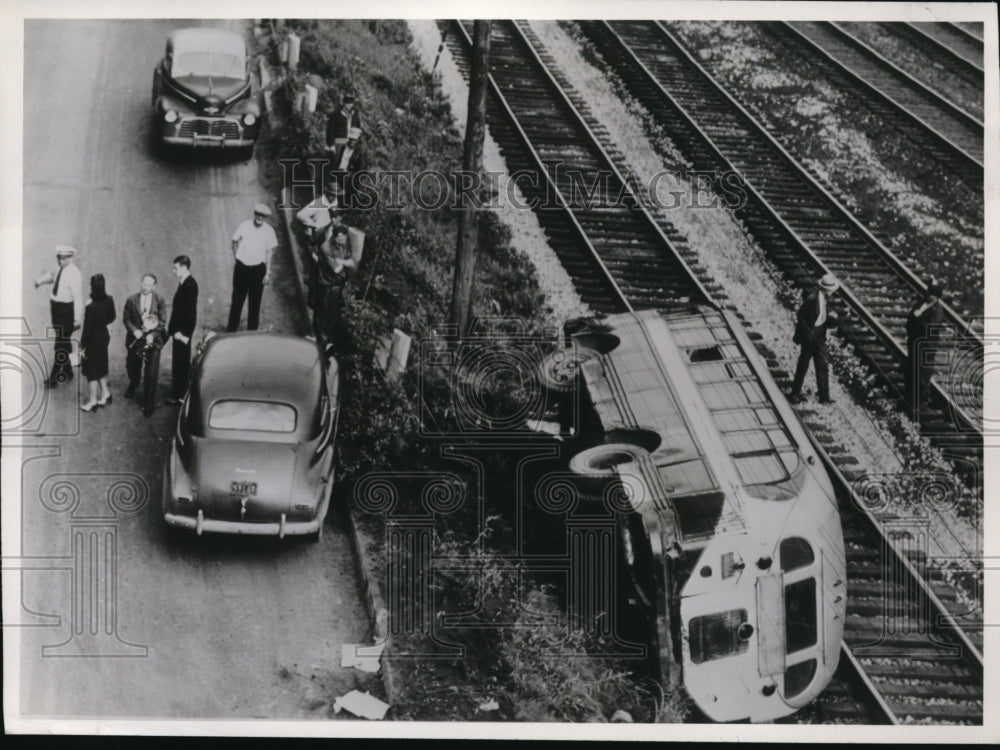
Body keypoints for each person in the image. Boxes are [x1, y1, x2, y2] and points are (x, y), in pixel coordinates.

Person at [34, 244, 84, 388]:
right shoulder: (59, 269)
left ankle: (54, 376)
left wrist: (77, 318)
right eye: (59, 258)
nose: (61, 261)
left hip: (66, 312)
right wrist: (40, 282)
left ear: (70, 257)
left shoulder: (74, 274)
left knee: (60, 345)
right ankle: (68, 370)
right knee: (63, 341)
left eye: (64, 258)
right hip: (56, 310)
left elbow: (78, 298)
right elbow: (52, 277)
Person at [789, 273, 840, 405]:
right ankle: (794, 394)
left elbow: (823, 317)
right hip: (810, 335)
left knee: (822, 365)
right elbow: (801, 317)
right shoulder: (812, 298)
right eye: (831, 290)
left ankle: (824, 396)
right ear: (825, 289)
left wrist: (832, 319)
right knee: (803, 365)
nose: (832, 293)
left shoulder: (826, 299)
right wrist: (806, 335)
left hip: (820, 335)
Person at [226, 203, 278, 332]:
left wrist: (267, 273)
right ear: (254, 214)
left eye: (263, 216)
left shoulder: (269, 231)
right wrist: (237, 259)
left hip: (258, 271)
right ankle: (230, 331)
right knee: (237, 303)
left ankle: (252, 334)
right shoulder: (245, 225)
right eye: (258, 214)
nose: (260, 217)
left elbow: (269, 252)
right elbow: (234, 241)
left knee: (254, 305)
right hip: (242, 269)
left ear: (266, 217)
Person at [123, 273, 167, 417]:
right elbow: (127, 318)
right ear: (141, 283)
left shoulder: (160, 300)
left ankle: (149, 403)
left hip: (152, 342)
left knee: (151, 373)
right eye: (144, 284)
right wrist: (134, 330)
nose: (146, 287)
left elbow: (162, 322)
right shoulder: (131, 300)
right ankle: (134, 383)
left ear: (154, 286)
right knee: (132, 366)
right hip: (136, 340)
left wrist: (152, 335)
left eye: (149, 285)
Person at [905, 283, 945, 418]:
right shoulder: (920, 304)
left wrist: (918, 318)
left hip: (927, 346)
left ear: (938, 298)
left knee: (923, 374)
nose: (930, 298)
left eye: (933, 297)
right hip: (914, 343)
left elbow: (930, 328)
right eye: (929, 295)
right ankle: (910, 401)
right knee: (911, 370)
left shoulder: (937, 311)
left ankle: (922, 404)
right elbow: (910, 319)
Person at [312, 223, 356, 345]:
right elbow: (337, 269)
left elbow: (352, 263)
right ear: (334, 237)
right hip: (326, 286)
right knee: (322, 314)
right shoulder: (326, 248)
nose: (342, 241)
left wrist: (341, 261)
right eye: (340, 239)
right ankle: (319, 342)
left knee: (331, 315)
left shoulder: (343, 244)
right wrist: (345, 263)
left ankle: (325, 341)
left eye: (344, 239)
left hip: (337, 286)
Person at [79, 274, 116, 412]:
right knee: (101, 366)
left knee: (91, 372)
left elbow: (87, 330)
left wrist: (82, 346)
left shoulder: (91, 306)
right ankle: (105, 393)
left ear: (92, 287)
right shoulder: (110, 299)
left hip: (93, 341)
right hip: (104, 337)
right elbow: (113, 316)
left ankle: (93, 401)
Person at [166, 255, 199, 406]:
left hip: (181, 333)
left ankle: (179, 394)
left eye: (176, 268)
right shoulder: (185, 282)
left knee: (180, 364)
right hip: (179, 332)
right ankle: (179, 392)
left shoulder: (189, 285)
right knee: (180, 362)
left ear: (184, 267)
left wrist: (184, 334)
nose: (174, 271)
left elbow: (190, 313)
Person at [325, 93, 361, 171]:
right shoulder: (336, 114)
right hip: (339, 140)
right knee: (337, 155)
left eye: (351, 103)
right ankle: (333, 176)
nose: (349, 105)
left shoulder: (355, 114)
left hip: (351, 140)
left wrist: (357, 135)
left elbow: (358, 127)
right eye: (348, 103)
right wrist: (331, 144)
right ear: (344, 103)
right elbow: (330, 130)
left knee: (357, 156)